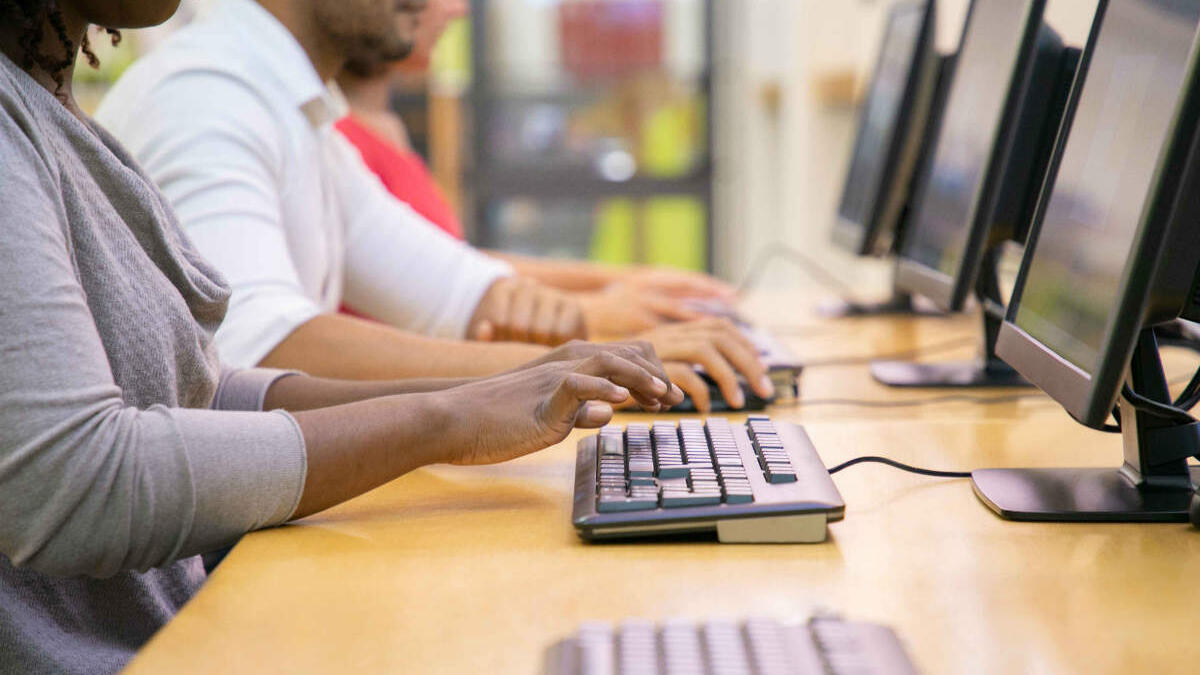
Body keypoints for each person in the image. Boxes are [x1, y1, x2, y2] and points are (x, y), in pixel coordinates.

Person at [0, 1, 682, 671]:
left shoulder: (54, 107)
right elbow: (80, 479)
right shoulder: (196, 95)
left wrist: (501, 387)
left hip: (182, 631)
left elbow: (205, 389)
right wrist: (442, 417)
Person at [96, 0, 776, 412]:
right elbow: (258, 348)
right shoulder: (204, 97)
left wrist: (601, 329)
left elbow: (454, 287)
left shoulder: (298, 117)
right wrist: (574, 363)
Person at [335, 0, 737, 338]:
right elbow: (431, 295)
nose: (458, 10)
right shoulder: (338, 139)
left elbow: (455, 271)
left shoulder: (378, 128)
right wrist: (593, 312)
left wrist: (622, 283)